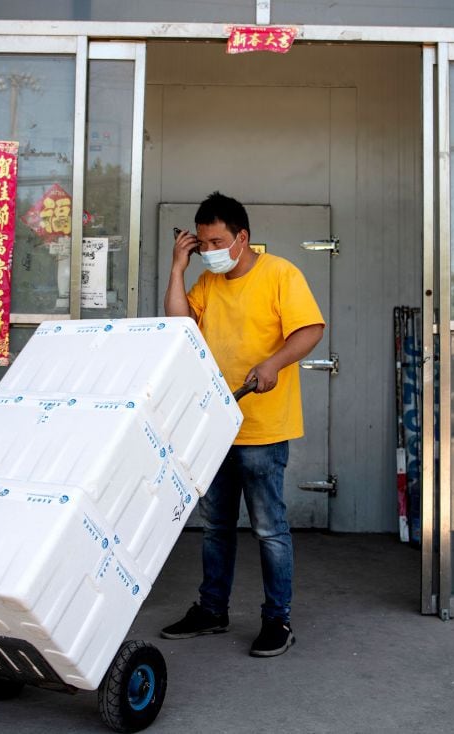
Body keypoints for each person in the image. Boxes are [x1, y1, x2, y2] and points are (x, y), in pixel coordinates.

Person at [161, 192, 324, 658]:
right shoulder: (209, 285)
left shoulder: (281, 274)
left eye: (217, 241)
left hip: (262, 428)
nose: (209, 250)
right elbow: (180, 326)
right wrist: (178, 268)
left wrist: (274, 363)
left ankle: (278, 620)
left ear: (242, 237)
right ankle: (212, 611)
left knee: (269, 528)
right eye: (202, 243)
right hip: (214, 426)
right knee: (215, 526)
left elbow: (310, 328)